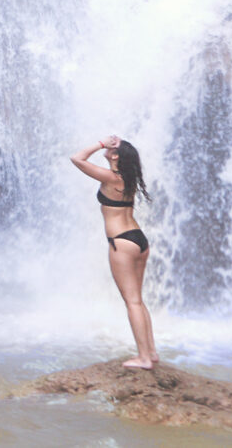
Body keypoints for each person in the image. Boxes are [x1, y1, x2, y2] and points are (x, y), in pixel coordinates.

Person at [70, 134, 158, 368]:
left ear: (116, 155)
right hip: (139, 240)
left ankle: (144, 358)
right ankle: (151, 352)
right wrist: (109, 147)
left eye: (113, 147)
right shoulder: (126, 178)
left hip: (122, 242)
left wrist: (100, 144)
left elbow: (77, 158)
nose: (109, 146)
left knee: (132, 302)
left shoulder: (111, 177)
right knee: (138, 300)